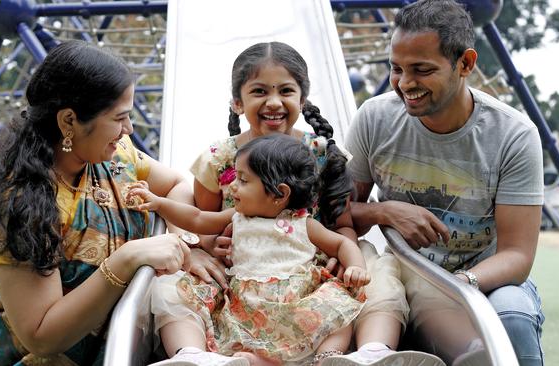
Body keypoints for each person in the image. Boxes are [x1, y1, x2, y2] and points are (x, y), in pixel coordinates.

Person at [186, 41, 441, 366]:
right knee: (175, 287)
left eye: (286, 91)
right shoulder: (219, 160)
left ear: (302, 99)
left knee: (377, 268)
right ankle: (192, 354)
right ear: (238, 102)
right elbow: (202, 220)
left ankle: (373, 351)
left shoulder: (321, 153)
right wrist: (207, 245)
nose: (274, 102)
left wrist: (345, 257)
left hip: (315, 264)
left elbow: (342, 220)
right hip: (248, 272)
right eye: (260, 91)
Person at [0, 40, 196, 365]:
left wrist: (184, 244)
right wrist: (125, 261)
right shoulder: (20, 201)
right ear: (68, 121)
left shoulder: (118, 156)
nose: (128, 128)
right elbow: (41, 336)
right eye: (119, 117)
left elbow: (177, 185)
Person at [340, 0, 545, 365]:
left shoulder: (513, 134)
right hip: (406, 273)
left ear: (465, 63)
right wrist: (385, 211)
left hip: (485, 277)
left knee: (510, 319)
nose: (405, 84)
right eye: (397, 68)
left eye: (421, 70)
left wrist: (462, 287)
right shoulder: (374, 119)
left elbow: (517, 255)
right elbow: (337, 215)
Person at [133, 134, 369, 366]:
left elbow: (342, 244)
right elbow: (196, 218)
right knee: (185, 292)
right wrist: (160, 204)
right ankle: (206, 356)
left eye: (243, 180)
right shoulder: (237, 218)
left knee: (340, 305)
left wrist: (356, 266)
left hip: (297, 306)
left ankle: (327, 358)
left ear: (280, 194)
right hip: (247, 307)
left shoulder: (303, 224)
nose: (233, 186)